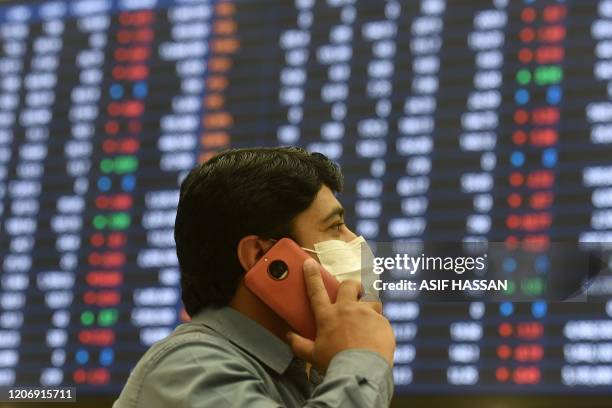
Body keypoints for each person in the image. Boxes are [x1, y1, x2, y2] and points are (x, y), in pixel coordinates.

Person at [114, 147, 396, 407]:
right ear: (262, 255)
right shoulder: (189, 366)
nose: (359, 244)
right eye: (335, 227)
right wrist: (361, 358)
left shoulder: (309, 377)